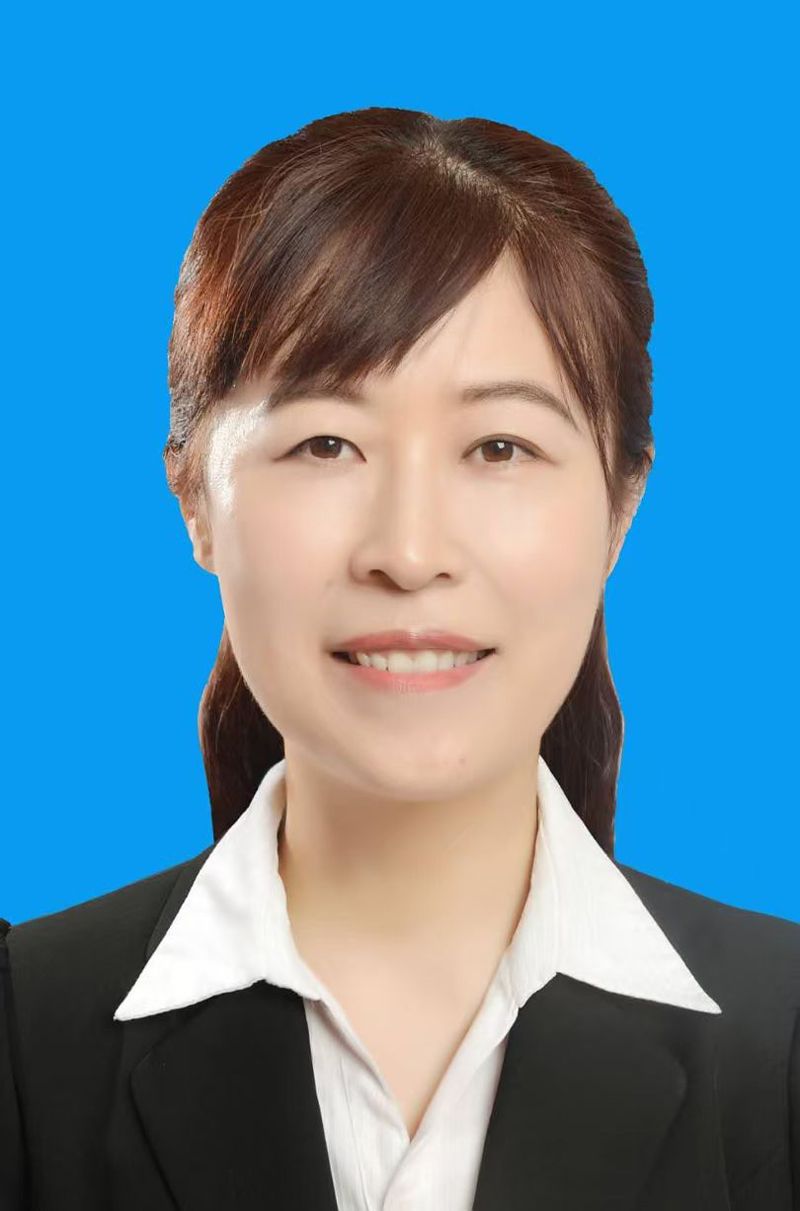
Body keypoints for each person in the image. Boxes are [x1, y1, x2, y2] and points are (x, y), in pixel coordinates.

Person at [1, 106, 798, 1211]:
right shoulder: (23, 1036)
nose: (409, 552)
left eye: (499, 446)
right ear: (194, 498)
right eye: (326, 442)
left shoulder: (782, 1042)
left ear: (620, 506)